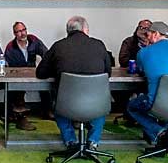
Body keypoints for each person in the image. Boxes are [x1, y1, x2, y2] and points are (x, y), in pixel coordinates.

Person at [36, 16, 112, 150]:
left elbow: (40, 73)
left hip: (66, 105)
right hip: (96, 104)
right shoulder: (99, 45)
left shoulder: (58, 46)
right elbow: (108, 73)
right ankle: (93, 142)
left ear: (68, 31)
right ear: (85, 29)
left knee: (58, 105)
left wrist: (58, 70)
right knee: (101, 108)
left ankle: (70, 141)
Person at [4, 21, 51, 123]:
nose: (23, 33)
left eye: (24, 30)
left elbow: (46, 54)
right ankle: (20, 117)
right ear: (15, 34)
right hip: (17, 77)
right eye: (19, 31)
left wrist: (45, 68)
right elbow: (8, 68)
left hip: (33, 74)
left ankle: (47, 111)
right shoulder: (10, 47)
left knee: (47, 86)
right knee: (16, 91)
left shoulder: (33, 40)